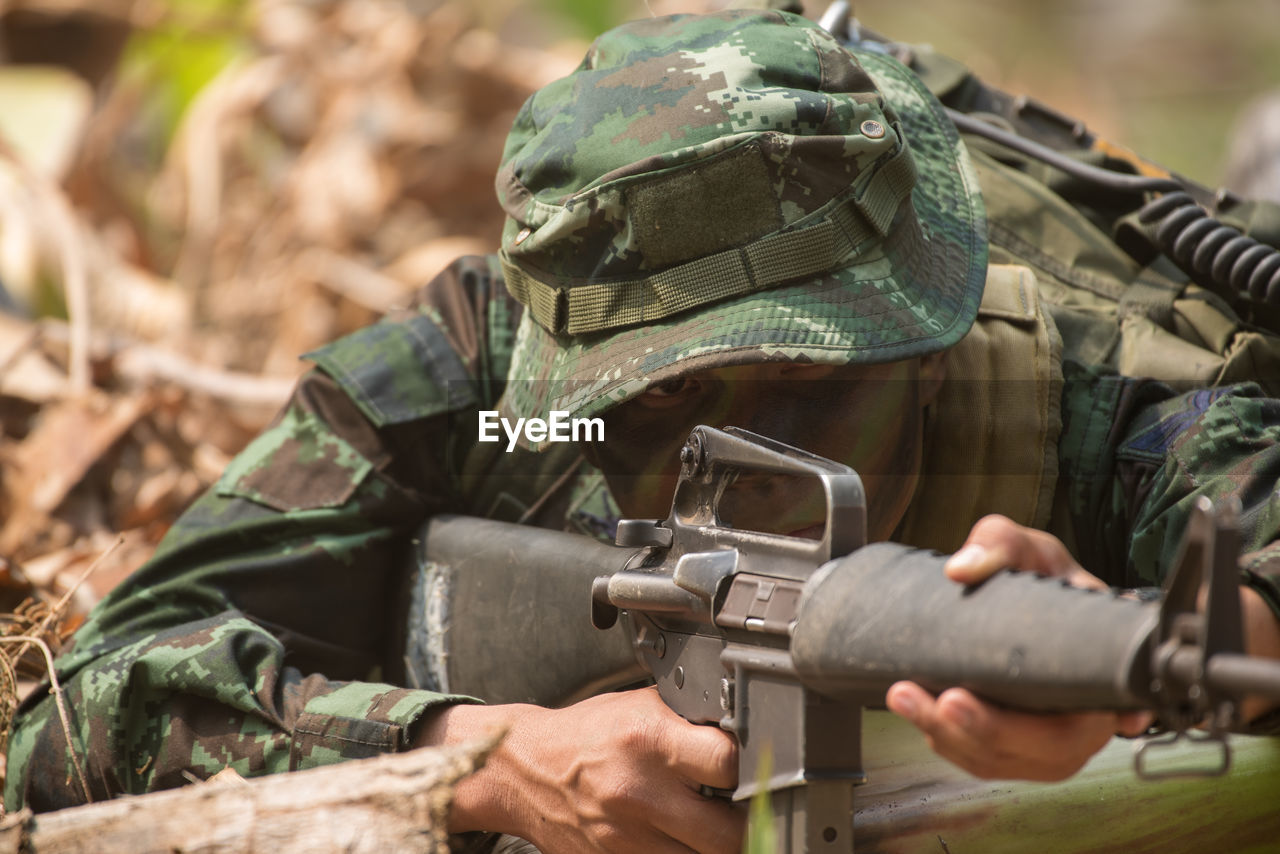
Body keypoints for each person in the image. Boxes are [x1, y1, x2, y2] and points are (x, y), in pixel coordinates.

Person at [7, 9, 1280, 854]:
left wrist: (1108, 652)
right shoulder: (479, 377)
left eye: (803, 371)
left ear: (929, 336)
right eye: (661, 392)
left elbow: (1253, 572)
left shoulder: (1094, 388)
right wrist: (477, 751)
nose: (748, 442)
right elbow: (68, 723)